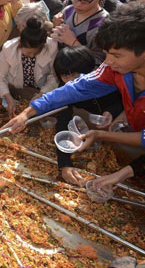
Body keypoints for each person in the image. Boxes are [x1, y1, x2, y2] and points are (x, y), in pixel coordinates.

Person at [4, 2, 145, 192]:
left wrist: (121, 172)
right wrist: (28, 113)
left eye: (116, 55)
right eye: (106, 54)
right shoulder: (114, 69)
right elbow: (74, 89)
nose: (108, 62)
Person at [51, 46, 123, 184]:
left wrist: (111, 112)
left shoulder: (105, 78)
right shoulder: (65, 90)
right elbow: (62, 123)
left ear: (89, 71)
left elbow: (124, 99)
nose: (71, 81)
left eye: (75, 75)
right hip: (95, 127)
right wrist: (64, 164)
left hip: (124, 122)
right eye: (65, 76)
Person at [0, 16, 58, 115]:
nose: (32, 56)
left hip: (39, 89)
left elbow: (54, 76)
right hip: (16, 90)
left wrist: (42, 94)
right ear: (20, 43)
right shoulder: (8, 48)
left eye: (36, 53)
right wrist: (9, 98)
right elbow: (0, 77)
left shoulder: (52, 47)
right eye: (29, 53)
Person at [51, 0, 109, 65]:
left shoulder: (105, 24)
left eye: (86, 0)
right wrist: (55, 27)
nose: (78, 4)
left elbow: (101, 64)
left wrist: (74, 44)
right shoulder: (68, 11)